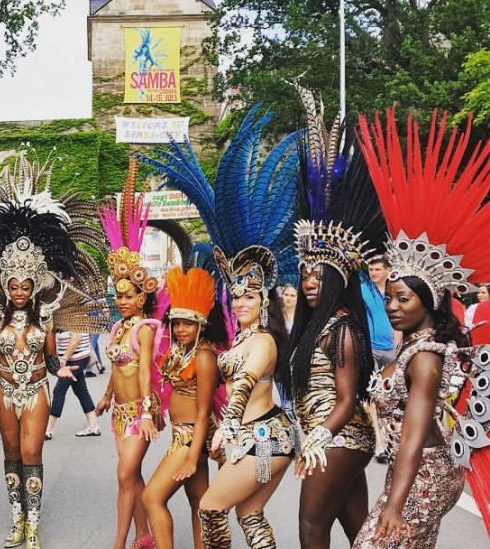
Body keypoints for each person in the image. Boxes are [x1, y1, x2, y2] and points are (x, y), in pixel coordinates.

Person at [140, 104, 302, 548]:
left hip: (266, 441)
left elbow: (244, 387)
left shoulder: (265, 341)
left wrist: (224, 430)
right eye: (236, 295)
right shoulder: (246, 336)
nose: (241, 302)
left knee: (211, 509)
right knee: (249, 515)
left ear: (264, 297)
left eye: (250, 295)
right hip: (259, 439)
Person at [0, 154, 107, 549]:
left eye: (25, 286)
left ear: (35, 285)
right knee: (12, 454)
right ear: (4, 283)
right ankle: (16, 520)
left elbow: (51, 359)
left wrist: (63, 369)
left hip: (35, 390)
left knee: (33, 454)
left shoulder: (48, 319)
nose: (19, 292)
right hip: (4, 390)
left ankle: (33, 525)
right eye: (13, 285)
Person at [352, 108, 489, 548]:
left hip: (425, 472)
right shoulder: (413, 349)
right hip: (410, 469)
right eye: (389, 297)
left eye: (403, 299)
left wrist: (393, 504)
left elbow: (413, 434)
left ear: (427, 303)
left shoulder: (426, 358)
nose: (391, 306)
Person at [284, 107, 388, 547]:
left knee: (311, 527)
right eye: (305, 273)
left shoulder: (342, 328)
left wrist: (318, 440)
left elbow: (347, 399)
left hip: (341, 436)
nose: (309, 282)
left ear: (337, 281)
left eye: (318, 274)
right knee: (361, 533)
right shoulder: (316, 326)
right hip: (335, 437)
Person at [94, 161, 165, 549]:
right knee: (131, 475)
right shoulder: (119, 327)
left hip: (138, 413)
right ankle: (143, 536)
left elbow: (144, 373)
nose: (122, 301)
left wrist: (149, 412)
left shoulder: (143, 329)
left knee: (124, 476)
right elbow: (116, 369)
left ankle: (119, 542)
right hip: (119, 413)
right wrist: (106, 396)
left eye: (129, 296)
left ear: (142, 297)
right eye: (118, 296)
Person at [142, 268, 227, 549]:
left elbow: (204, 411)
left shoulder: (203, 357)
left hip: (190, 437)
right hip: (183, 434)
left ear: (201, 324)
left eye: (187, 324)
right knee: (199, 501)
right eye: (176, 323)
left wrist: (192, 457)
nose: (180, 329)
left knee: (152, 498)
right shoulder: (180, 351)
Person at [362, 257, 399, 464]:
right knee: (374, 394)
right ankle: (380, 442)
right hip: (371, 348)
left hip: (393, 348)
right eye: (371, 269)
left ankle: (392, 438)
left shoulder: (396, 289)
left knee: (393, 395)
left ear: (387, 270)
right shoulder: (363, 289)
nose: (373, 272)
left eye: (377, 269)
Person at [46, 331, 100, 438]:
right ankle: (93, 426)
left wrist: (64, 358)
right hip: (75, 358)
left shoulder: (73, 315)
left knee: (59, 391)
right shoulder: (63, 317)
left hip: (75, 359)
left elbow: (76, 339)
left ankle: (47, 429)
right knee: (81, 390)